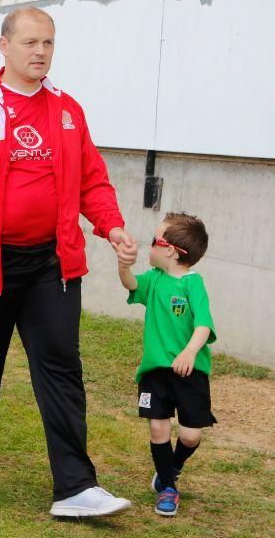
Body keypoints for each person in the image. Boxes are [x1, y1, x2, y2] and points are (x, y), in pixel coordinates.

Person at [0, 7, 134, 516]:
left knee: (62, 369)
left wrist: (112, 226)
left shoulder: (67, 111)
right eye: (30, 42)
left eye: (49, 44)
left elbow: (92, 181)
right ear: (4, 45)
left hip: (51, 266)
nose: (40, 52)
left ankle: (75, 487)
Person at [113, 212, 216, 517]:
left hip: (189, 372)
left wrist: (189, 352)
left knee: (189, 435)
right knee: (158, 428)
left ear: (170, 250)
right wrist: (124, 265)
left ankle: (173, 466)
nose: (150, 246)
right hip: (155, 372)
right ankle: (168, 489)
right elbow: (131, 283)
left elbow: (204, 326)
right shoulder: (154, 280)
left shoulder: (193, 284)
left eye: (154, 240)